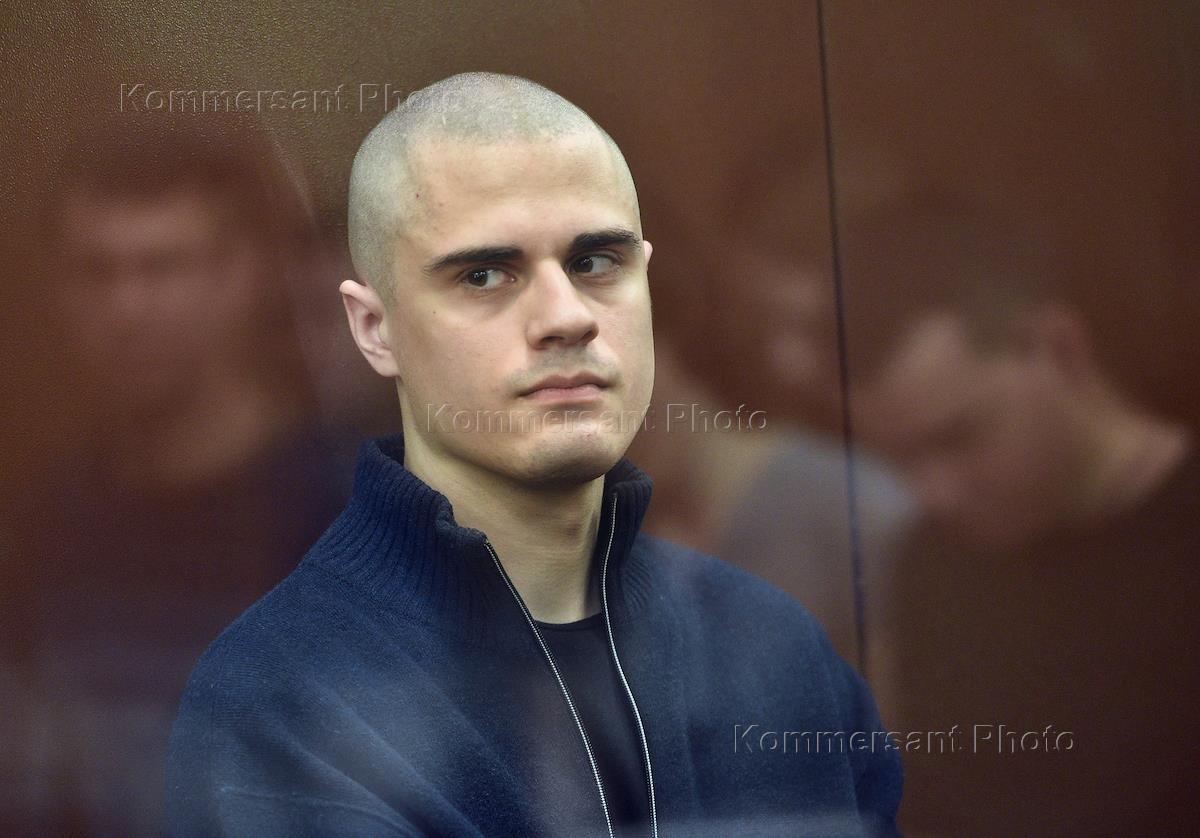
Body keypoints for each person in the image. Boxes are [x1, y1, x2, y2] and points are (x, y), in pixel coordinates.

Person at [166, 72, 902, 837]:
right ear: (375, 330)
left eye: (596, 262)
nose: (566, 317)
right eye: (484, 274)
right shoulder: (286, 697)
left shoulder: (777, 647)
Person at [0, 115, 348, 836]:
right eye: (97, 271)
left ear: (246, 275)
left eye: (163, 267)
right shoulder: (41, 527)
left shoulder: (348, 521)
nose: (127, 309)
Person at [846, 195, 1199, 836]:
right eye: (900, 459)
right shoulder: (932, 561)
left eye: (957, 437)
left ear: (1058, 346)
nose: (932, 493)